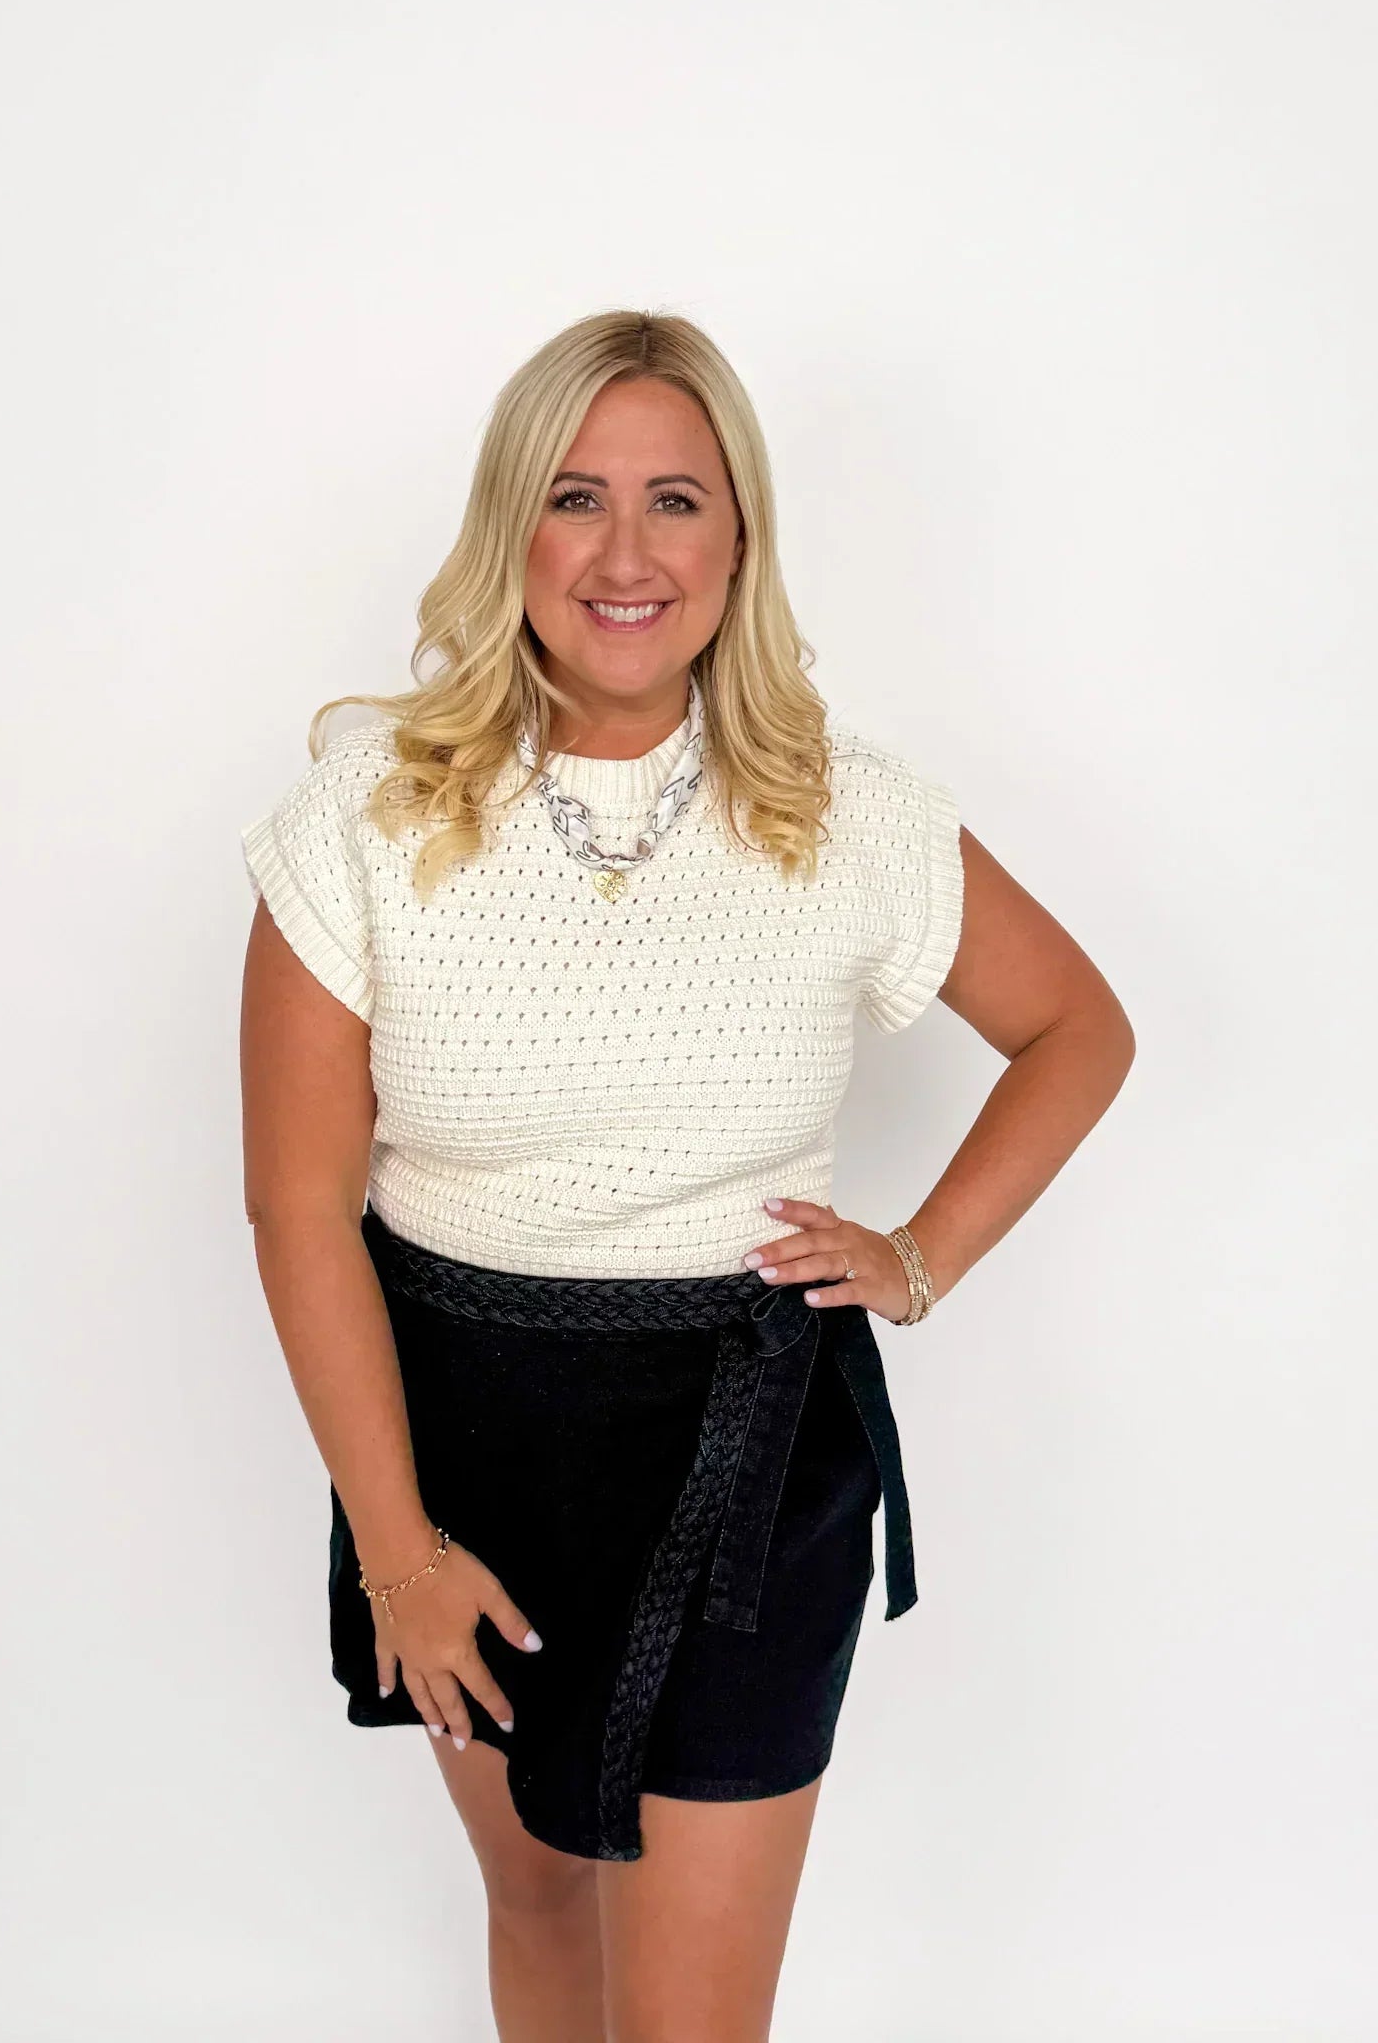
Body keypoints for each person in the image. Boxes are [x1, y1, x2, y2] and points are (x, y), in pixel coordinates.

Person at [237, 308, 1135, 2042]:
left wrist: (923, 1253)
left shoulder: (845, 809)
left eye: (677, 500)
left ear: (741, 539)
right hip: (460, 1446)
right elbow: (300, 1209)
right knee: (538, 1898)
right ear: (511, 528)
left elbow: (1076, 1028)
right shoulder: (363, 813)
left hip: (750, 1450)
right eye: (576, 499)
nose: (627, 555)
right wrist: (401, 1554)